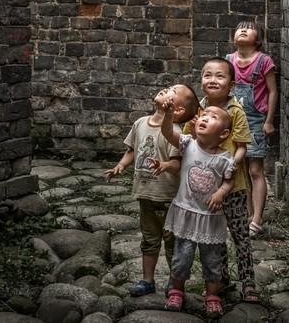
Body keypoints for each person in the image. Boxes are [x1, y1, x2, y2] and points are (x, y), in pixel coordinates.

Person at [104, 84, 199, 297]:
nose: (166, 89)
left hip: (168, 198)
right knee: (149, 240)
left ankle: (174, 284)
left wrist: (164, 166)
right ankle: (147, 281)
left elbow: (176, 163)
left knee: (172, 242)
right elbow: (132, 149)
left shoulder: (175, 133)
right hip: (145, 194)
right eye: (169, 86)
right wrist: (121, 165)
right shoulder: (140, 123)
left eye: (173, 91)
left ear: (178, 110)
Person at [184, 57, 259, 303]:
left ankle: (248, 283)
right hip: (207, 186)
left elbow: (242, 146)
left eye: (220, 76)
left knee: (240, 235)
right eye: (207, 75)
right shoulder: (198, 110)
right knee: (215, 237)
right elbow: (188, 141)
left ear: (232, 84)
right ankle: (221, 280)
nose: (213, 80)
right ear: (201, 80)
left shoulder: (235, 111)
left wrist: (231, 165)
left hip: (233, 187)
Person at [160, 100, 235, 319]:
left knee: (212, 261)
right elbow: (167, 132)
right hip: (186, 212)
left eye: (213, 117)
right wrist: (168, 115)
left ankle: (212, 296)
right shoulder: (188, 144)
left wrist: (221, 193)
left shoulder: (225, 158)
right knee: (181, 257)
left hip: (210, 218)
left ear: (223, 133)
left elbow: (229, 181)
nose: (205, 118)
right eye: (204, 114)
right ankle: (176, 291)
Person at [226, 21, 277, 238]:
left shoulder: (264, 61)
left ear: (258, 40)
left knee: (255, 170)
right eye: (239, 28)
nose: (243, 30)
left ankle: (257, 219)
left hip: (255, 120)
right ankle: (246, 214)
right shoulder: (229, 60)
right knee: (240, 170)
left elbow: (272, 91)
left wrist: (269, 121)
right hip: (233, 119)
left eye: (249, 28)